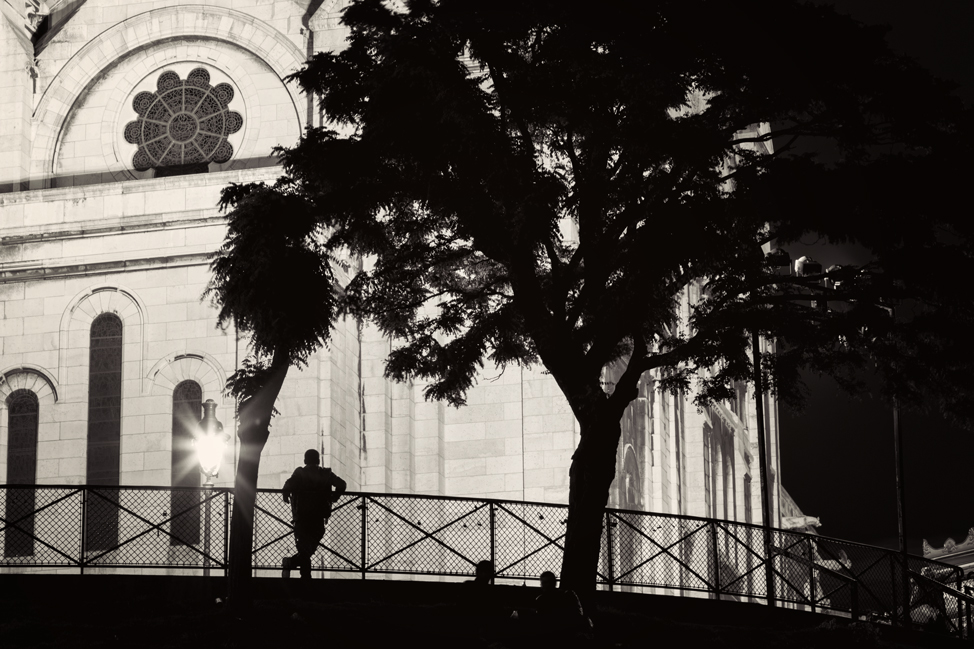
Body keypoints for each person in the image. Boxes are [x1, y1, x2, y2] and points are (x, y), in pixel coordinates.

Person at [281, 449, 346, 579]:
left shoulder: (300, 473)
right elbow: (342, 484)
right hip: (318, 516)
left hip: (302, 517)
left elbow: (288, 484)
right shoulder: (326, 474)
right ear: (318, 460)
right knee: (308, 548)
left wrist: (286, 494)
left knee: (304, 549)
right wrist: (333, 497)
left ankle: (293, 565)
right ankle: (305, 577)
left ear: (305, 460)